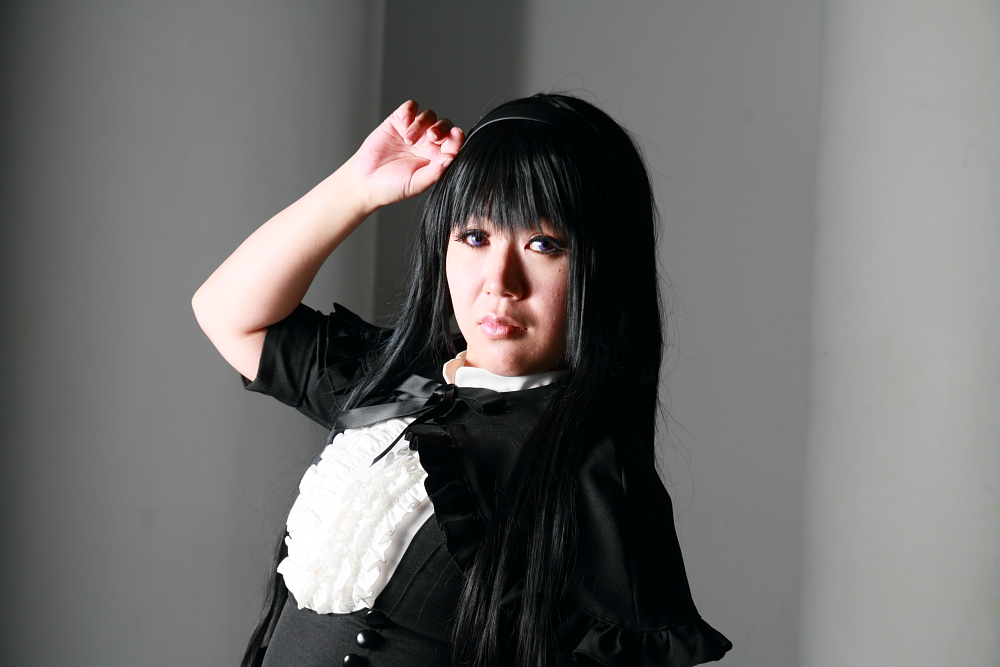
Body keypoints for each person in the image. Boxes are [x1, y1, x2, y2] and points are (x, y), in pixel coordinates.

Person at [193, 93, 732, 667]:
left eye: (544, 244)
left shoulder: (598, 472)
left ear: (602, 269)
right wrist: (358, 186)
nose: (500, 281)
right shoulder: (396, 383)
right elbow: (227, 314)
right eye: (475, 237)